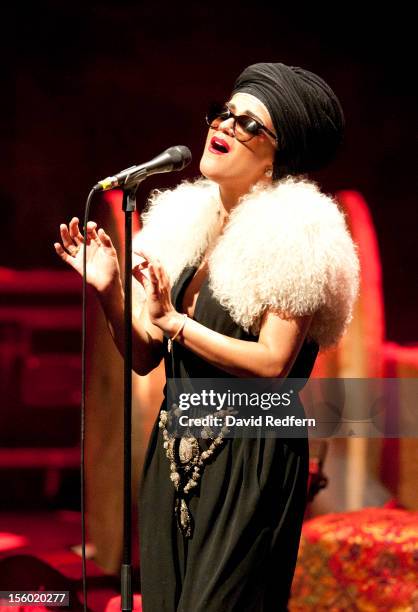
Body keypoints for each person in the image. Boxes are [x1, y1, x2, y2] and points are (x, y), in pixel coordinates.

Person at [55, 62, 359, 611]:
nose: (223, 125)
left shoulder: (299, 233)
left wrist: (177, 322)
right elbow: (148, 355)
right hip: (174, 452)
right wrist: (110, 292)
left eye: (248, 124)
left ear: (277, 156)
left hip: (250, 457)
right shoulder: (186, 222)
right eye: (225, 112)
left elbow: (272, 364)